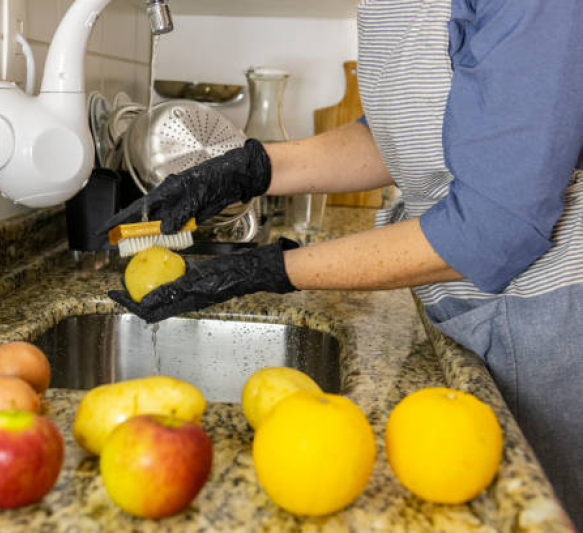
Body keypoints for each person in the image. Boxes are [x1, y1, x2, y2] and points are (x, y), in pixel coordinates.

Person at [104, 0, 583, 526]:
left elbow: (493, 228)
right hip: (471, 308)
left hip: (551, 324)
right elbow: (406, 133)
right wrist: (251, 168)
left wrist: (270, 270)